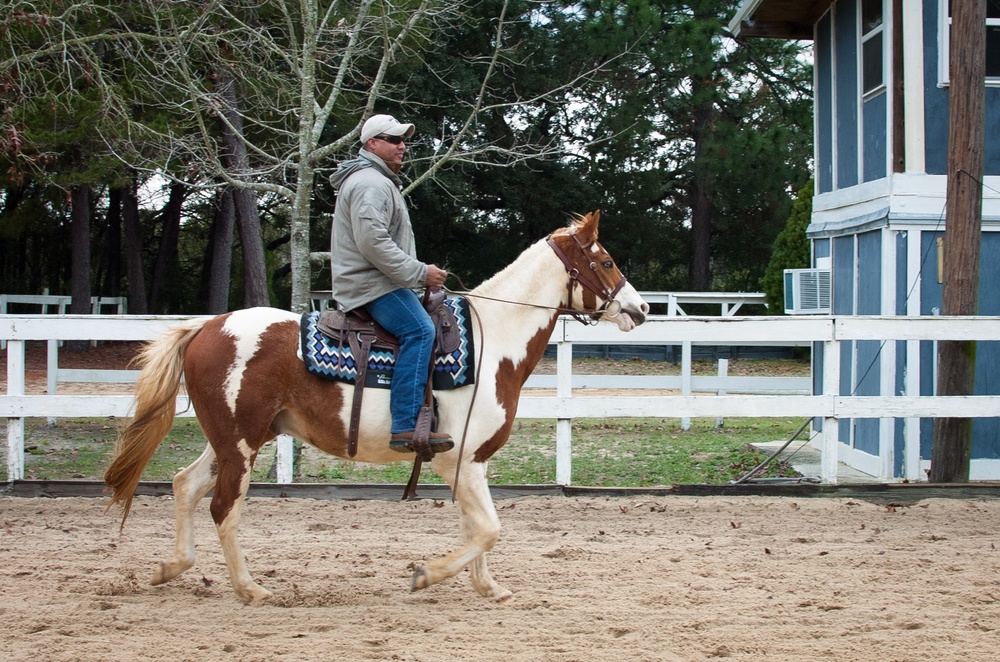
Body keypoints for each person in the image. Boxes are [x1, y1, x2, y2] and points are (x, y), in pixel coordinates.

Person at [328, 114, 454, 455]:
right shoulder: (372, 183)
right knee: (421, 331)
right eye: (393, 139)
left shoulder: (375, 180)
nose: (402, 146)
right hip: (371, 285)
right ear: (371, 143)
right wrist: (418, 273)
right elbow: (373, 243)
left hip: (374, 281)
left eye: (404, 140)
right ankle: (405, 425)